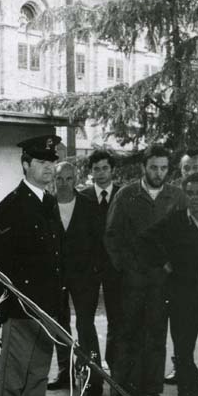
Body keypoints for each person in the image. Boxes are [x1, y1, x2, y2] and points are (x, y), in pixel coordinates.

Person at [0, 135, 65, 396]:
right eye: (43, 162)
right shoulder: (10, 207)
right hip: (21, 305)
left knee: (38, 370)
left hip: (46, 303)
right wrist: (5, 305)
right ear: (25, 165)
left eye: (52, 162)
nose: (50, 168)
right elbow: (2, 264)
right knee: (14, 372)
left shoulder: (48, 202)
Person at [104, 144, 185, 396]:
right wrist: (126, 268)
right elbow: (112, 236)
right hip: (132, 281)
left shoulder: (176, 196)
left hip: (161, 281)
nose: (159, 173)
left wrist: (174, 265)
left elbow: (184, 236)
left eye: (163, 168)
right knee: (127, 334)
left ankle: (151, 389)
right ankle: (120, 390)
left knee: (156, 333)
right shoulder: (127, 195)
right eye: (154, 167)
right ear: (143, 167)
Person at [140, 172, 198, 396]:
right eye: (190, 193)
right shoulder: (176, 221)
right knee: (182, 352)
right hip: (183, 299)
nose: (195, 198)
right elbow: (146, 239)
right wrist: (165, 263)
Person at [50, 161, 104, 396]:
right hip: (57, 276)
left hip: (84, 277)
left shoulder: (89, 207)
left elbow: (98, 242)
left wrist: (93, 270)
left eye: (69, 179)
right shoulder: (45, 205)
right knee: (60, 325)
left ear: (76, 180)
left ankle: (93, 381)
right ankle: (65, 373)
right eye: (60, 179)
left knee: (85, 327)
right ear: (54, 180)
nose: (64, 184)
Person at [78, 150, 122, 372]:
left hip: (115, 270)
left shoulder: (124, 195)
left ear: (112, 170)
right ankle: (92, 371)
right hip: (89, 270)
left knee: (117, 320)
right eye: (96, 169)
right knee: (86, 320)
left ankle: (115, 373)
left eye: (105, 168)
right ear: (91, 172)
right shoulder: (82, 197)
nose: (101, 173)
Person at [165, 147, 198, 384]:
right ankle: (185, 379)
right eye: (186, 168)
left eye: (196, 167)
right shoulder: (177, 200)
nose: (191, 171)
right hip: (185, 287)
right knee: (183, 339)